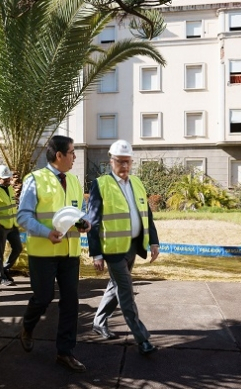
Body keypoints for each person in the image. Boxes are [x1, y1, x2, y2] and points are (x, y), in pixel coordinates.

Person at [16, 135, 91, 373]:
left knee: (71, 301)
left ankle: (65, 352)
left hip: (70, 252)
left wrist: (83, 223)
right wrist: (46, 232)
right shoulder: (34, 180)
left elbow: (79, 212)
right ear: (59, 155)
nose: (75, 156)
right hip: (43, 252)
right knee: (44, 297)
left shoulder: (75, 181)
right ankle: (28, 326)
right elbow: (22, 217)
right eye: (71, 152)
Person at [85, 140, 160, 355]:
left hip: (133, 247)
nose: (125, 166)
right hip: (113, 249)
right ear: (111, 161)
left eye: (128, 162)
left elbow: (147, 215)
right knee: (126, 292)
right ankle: (142, 338)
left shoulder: (137, 182)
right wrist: (97, 253)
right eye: (120, 162)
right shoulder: (101, 184)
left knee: (116, 286)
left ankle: (98, 322)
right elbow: (93, 222)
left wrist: (153, 241)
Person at [0, 165, 22, 286]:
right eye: (5, 179)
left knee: (18, 248)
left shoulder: (10, 189)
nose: (8, 180)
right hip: (0, 227)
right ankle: (1, 277)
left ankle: (5, 269)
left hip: (12, 225)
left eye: (8, 178)